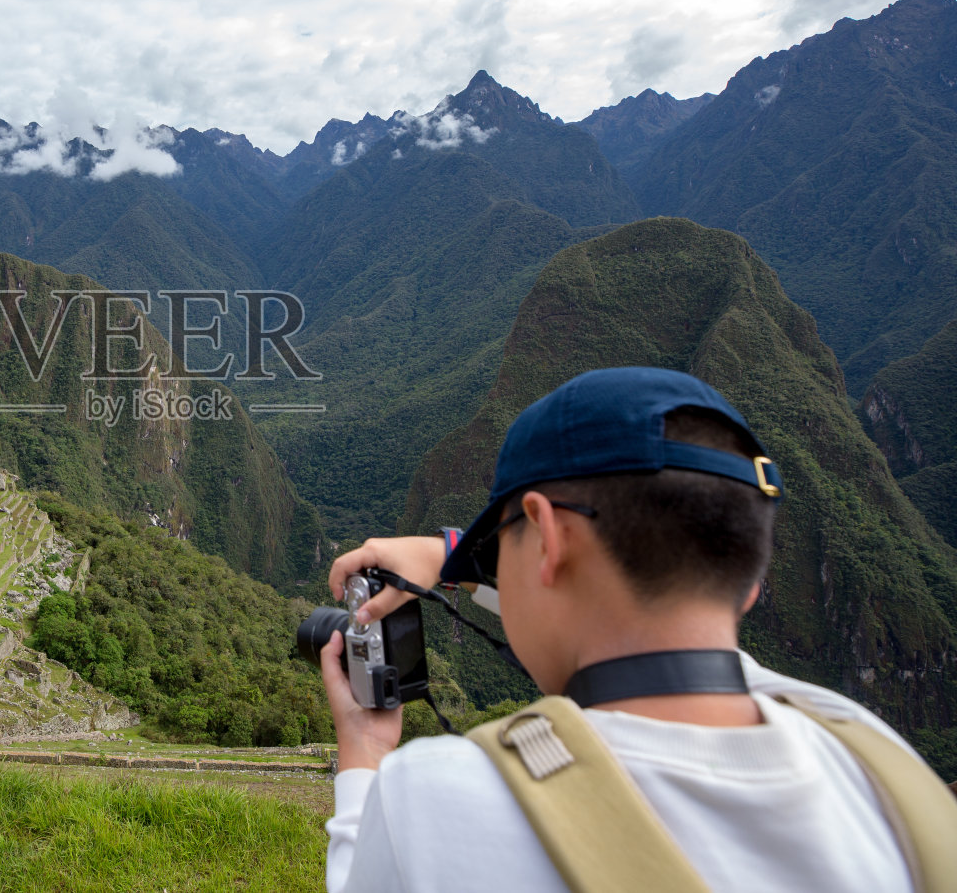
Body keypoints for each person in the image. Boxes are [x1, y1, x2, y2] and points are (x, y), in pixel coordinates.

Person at [320, 367, 950, 893]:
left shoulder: (435, 804)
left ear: (549, 536)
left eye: (501, 541)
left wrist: (367, 755)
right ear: (749, 583)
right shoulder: (876, 761)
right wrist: (455, 559)